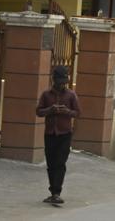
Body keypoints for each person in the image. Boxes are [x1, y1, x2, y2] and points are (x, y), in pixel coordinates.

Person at [35, 65, 81, 206]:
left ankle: (57, 193)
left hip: (65, 134)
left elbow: (77, 113)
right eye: (59, 82)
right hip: (50, 134)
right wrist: (50, 110)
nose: (62, 85)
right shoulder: (46, 95)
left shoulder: (71, 95)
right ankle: (52, 192)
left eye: (64, 82)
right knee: (51, 164)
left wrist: (67, 111)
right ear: (53, 80)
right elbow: (39, 112)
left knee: (60, 163)